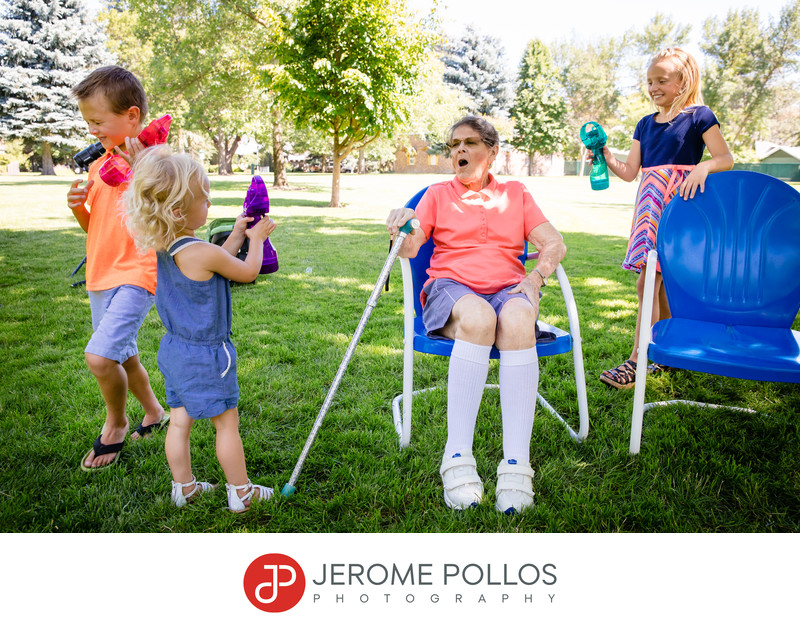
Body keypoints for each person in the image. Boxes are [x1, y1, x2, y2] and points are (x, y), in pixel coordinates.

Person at [386, 115, 566, 514]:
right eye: (454, 145)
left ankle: (516, 464)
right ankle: (456, 457)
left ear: (492, 151)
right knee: (481, 318)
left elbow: (553, 243)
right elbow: (411, 248)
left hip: (509, 288)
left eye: (469, 143)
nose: (460, 151)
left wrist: (535, 278)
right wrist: (401, 226)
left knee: (518, 320)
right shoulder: (436, 194)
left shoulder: (516, 193)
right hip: (450, 289)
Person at [124, 146, 276, 512]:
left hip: (176, 350)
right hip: (209, 354)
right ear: (178, 210)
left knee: (179, 421)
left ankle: (185, 487)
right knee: (226, 424)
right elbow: (246, 271)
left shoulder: (170, 244)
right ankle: (241, 493)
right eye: (204, 198)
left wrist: (238, 234)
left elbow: (217, 257)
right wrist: (256, 241)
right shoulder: (201, 252)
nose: (209, 204)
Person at [596, 47, 733, 389]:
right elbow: (630, 173)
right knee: (656, 285)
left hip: (679, 208)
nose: (653, 86)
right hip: (648, 211)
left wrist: (704, 166)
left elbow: (725, 158)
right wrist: (606, 155)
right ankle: (666, 354)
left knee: (650, 284)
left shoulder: (699, 116)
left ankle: (638, 359)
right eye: (649, 81)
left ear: (682, 81)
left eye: (661, 80)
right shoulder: (645, 124)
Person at [68, 66, 169, 471]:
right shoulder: (98, 166)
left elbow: (168, 207)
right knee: (124, 356)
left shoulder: (156, 159)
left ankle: (116, 423)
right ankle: (154, 413)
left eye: (97, 121)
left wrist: (141, 163)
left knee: (100, 357)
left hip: (138, 273)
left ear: (131, 116)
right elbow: (95, 229)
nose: (91, 130)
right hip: (100, 274)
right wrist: (79, 207)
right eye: (86, 122)